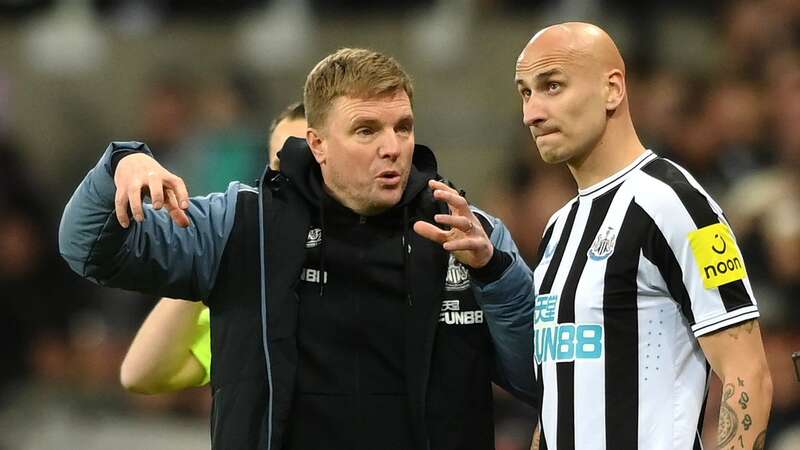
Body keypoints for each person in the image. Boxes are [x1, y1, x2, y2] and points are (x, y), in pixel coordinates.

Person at [59, 48, 535, 450]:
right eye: (367, 130)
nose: (393, 147)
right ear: (318, 144)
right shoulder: (242, 224)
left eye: (403, 127)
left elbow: (535, 380)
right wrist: (120, 165)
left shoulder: (466, 233)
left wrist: (496, 273)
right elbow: (88, 250)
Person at [507, 22, 772, 449]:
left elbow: (749, 375)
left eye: (552, 86)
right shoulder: (558, 227)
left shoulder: (675, 204)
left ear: (612, 89)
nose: (531, 113)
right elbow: (559, 400)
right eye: (525, 92)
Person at [119, 102, 307, 394]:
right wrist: (211, 255)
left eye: (308, 164)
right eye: (281, 166)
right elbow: (140, 373)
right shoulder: (251, 289)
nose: (293, 181)